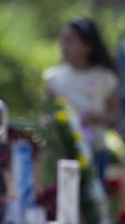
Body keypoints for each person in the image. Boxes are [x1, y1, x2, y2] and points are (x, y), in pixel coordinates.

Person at [43, 18, 120, 183]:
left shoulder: (105, 77)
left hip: (95, 151)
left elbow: (115, 116)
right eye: (62, 40)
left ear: (87, 46)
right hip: (63, 154)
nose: (64, 46)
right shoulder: (53, 78)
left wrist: (95, 117)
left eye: (70, 41)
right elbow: (47, 114)